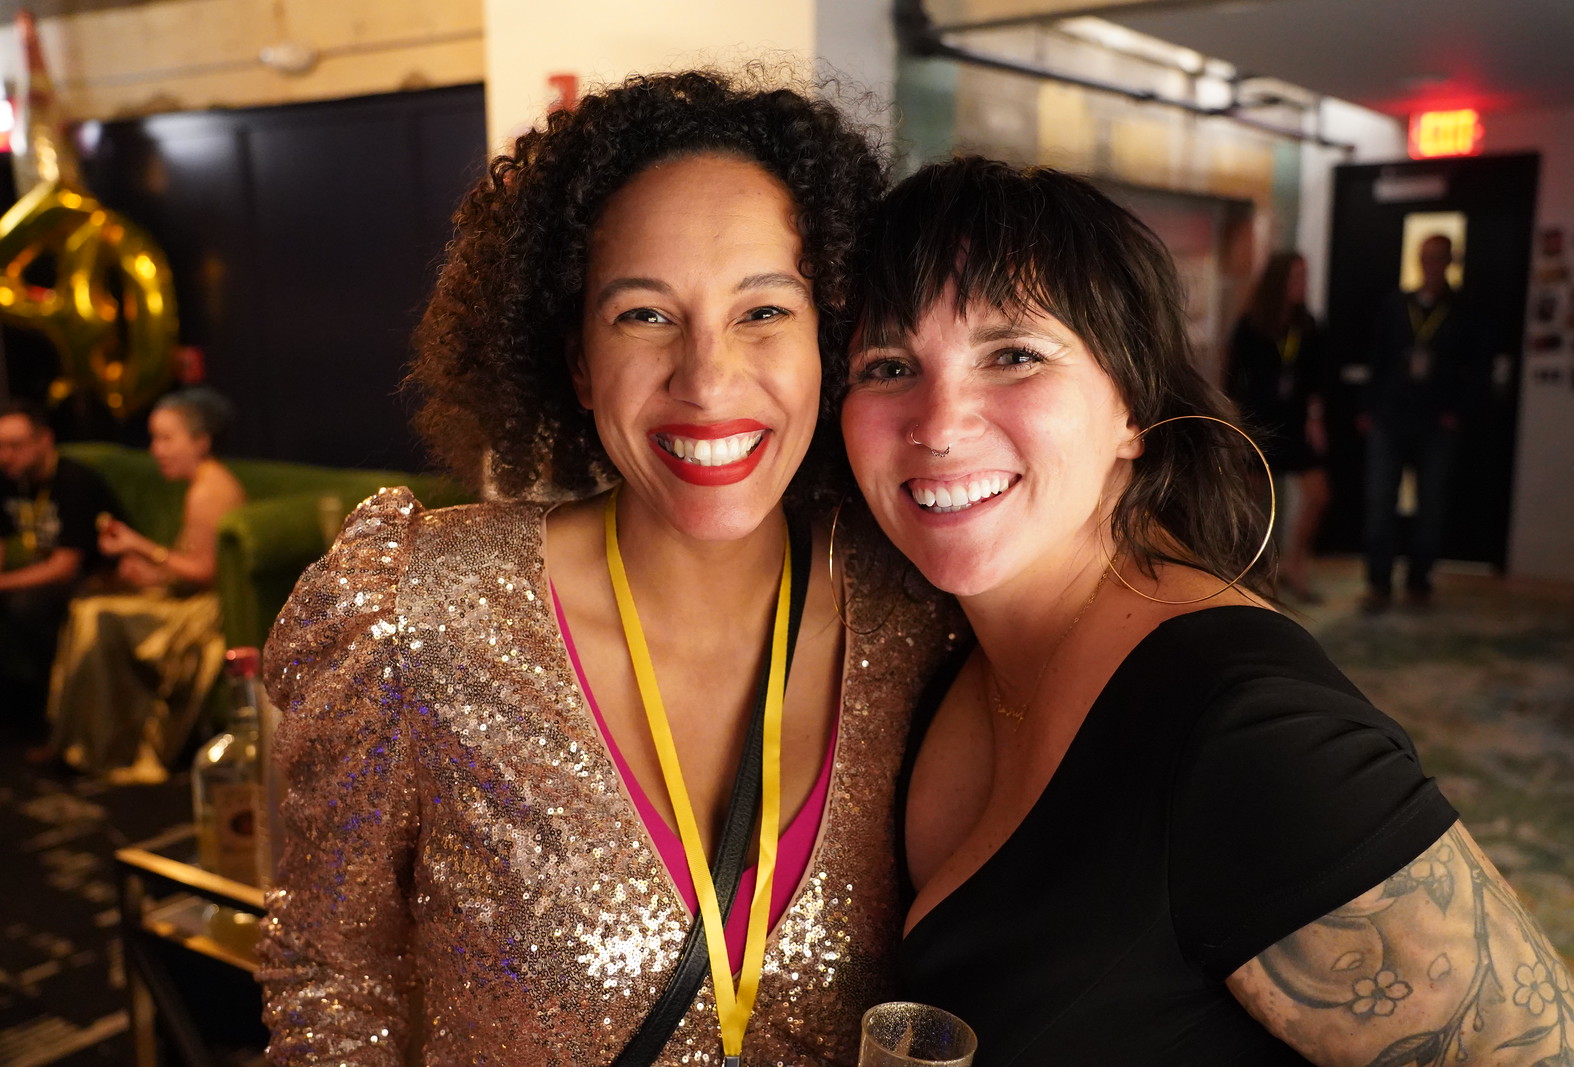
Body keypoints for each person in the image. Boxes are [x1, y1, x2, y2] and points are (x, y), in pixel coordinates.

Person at [259, 70, 955, 1066]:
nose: (706, 379)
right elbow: (331, 980)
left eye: (763, 310)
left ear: (830, 341)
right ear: (579, 361)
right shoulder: (416, 612)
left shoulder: (916, 614)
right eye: (643, 315)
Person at [841, 158, 1574, 1065]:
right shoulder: (945, 651)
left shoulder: (1247, 728)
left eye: (1014, 355)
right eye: (889, 365)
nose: (938, 423)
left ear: (1132, 407)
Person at [45, 386, 246, 780]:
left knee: (94, 615)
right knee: (92, 601)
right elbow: (190, 563)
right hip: (192, 599)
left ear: (201, 442)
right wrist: (148, 572)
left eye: (167, 439)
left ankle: (105, 749)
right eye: (155, 439)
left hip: (204, 615)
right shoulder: (201, 483)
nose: (157, 450)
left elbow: (205, 573)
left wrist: (140, 546)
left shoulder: (209, 490)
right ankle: (81, 742)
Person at [1360, 233, 1481, 612]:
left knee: (1431, 507)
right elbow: (1377, 358)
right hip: (1391, 418)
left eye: (1438, 257)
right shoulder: (1396, 305)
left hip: (1435, 423)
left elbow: (1477, 366)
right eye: (1425, 257)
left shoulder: (1463, 309)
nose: (1430, 264)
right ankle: (1379, 581)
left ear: (1449, 262)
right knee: (1380, 501)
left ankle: (1419, 581)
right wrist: (1369, 408)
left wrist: (1456, 411)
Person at [0, 399, 120, 733]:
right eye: (0, 447)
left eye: (15, 446)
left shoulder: (73, 481)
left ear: (45, 440)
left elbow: (65, 567)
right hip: (48, 573)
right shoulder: (9, 479)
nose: (5, 456)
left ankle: (58, 721)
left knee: (28, 608)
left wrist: (3, 583)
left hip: (99, 576)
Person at [1227, 251, 1329, 602]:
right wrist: (1235, 427)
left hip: (1296, 422)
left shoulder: (1308, 324)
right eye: (1296, 277)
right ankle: (1247, 570)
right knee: (1249, 499)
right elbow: (1233, 380)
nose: (1302, 284)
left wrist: (1315, 418)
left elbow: (1316, 379)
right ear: (1279, 281)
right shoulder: (1252, 325)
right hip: (1259, 421)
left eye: (1305, 276)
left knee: (1319, 495)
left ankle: (1294, 564)